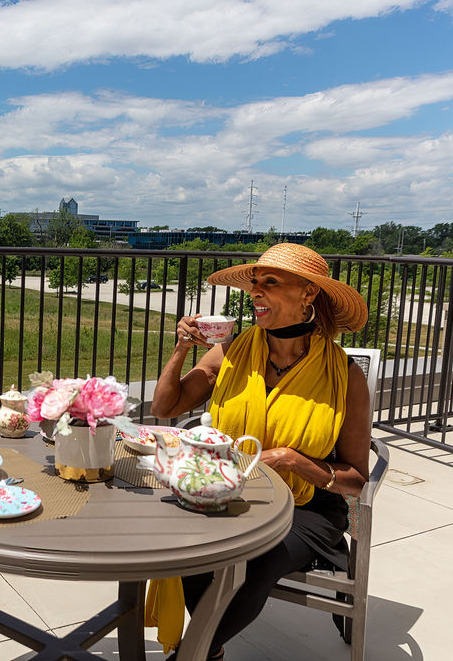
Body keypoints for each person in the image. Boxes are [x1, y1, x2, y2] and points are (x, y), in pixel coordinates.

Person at [149, 243, 371, 661]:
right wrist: (181, 348)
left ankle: (193, 654)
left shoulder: (345, 374)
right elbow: (165, 407)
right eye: (254, 284)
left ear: (308, 294)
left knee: (258, 560)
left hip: (305, 506)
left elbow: (356, 481)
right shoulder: (233, 351)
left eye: (270, 283)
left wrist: (291, 458)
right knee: (180, 545)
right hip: (230, 489)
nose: (255, 293)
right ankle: (206, 650)